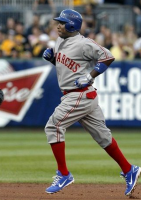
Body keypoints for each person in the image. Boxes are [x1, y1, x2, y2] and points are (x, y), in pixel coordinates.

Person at [42, 9, 141, 196]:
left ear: (71, 25)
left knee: (53, 126)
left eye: (62, 22)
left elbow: (108, 56)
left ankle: (64, 174)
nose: (58, 25)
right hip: (82, 96)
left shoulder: (83, 44)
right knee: (103, 137)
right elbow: (69, 67)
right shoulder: (60, 40)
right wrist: (54, 60)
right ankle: (129, 170)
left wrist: (90, 75)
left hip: (79, 94)